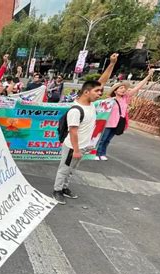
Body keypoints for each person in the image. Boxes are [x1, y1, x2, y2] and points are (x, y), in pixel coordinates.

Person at [52, 53, 118, 205]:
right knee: (65, 169)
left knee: (72, 169)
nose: (100, 94)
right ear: (86, 92)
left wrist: (112, 63)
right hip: (72, 147)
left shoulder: (90, 104)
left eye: (100, 92)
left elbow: (101, 82)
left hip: (83, 146)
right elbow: (73, 131)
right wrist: (75, 150)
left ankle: (65, 188)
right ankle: (57, 190)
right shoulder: (76, 110)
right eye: (97, 92)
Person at [95, 68, 154, 160]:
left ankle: (102, 153)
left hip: (118, 123)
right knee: (102, 139)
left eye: (124, 88)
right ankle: (97, 153)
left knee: (108, 140)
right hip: (108, 123)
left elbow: (137, 87)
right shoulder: (110, 100)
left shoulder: (125, 98)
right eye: (121, 88)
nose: (123, 90)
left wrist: (149, 76)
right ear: (115, 91)